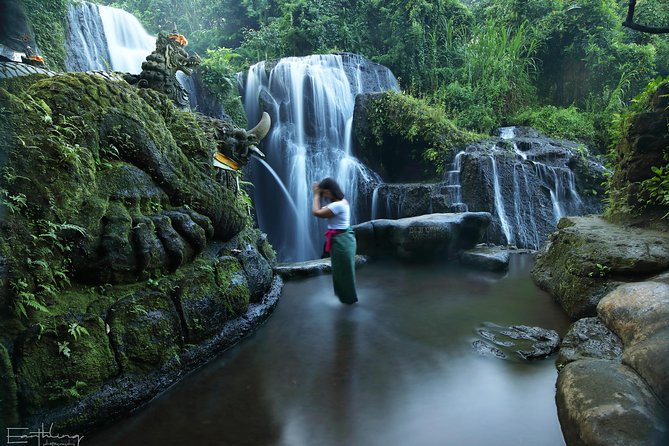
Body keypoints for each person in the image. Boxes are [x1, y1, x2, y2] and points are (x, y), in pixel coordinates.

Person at [312, 177, 358, 304]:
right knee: (341, 271)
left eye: (324, 192)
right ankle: (345, 300)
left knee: (344, 273)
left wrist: (316, 195)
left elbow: (316, 212)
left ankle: (348, 301)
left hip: (341, 242)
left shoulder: (337, 205)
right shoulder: (341, 202)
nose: (323, 195)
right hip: (342, 240)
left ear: (330, 190)